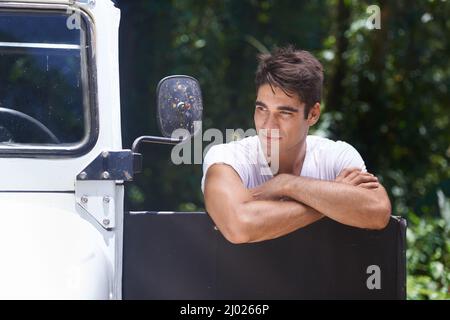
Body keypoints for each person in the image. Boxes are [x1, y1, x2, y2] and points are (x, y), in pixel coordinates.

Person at [201, 45, 391, 244]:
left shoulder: (336, 155)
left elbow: (377, 211)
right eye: (261, 109)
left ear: (313, 114)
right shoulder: (226, 158)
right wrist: (332, 200)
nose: (268, 125)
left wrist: (286, 184)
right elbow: (240, 226)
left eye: (284, 113)